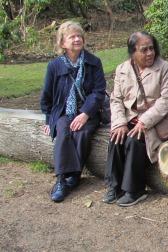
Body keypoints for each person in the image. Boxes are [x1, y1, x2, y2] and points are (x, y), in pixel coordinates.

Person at [103, 31, 168, 207]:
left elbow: (166, 100)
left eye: (152, 48)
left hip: (155, 120)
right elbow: (116, 99)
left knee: (134, 140)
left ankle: (135, 190)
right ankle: (114, 186)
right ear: (133, 52)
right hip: (130, 117)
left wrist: (144, 122)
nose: (150, 53)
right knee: (116, 137)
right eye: (144, 50)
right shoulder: (122, 69)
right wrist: (120, 123)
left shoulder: (163, 67)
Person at [40, 21, 106, 202]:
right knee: (63, 130)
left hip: (88, 112)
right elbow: (46, 95)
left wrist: (85, 114)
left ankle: (75, 176)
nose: (77, 39)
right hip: (63, 112)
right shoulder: (54, 66)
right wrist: (48, 120)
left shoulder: (94, 62)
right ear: (62, 43)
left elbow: (98, 92)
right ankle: (62, 180)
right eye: (72, 37)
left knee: (82, 132)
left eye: (79, 36)